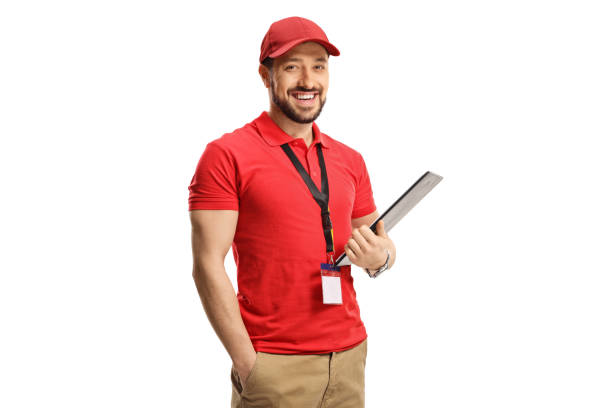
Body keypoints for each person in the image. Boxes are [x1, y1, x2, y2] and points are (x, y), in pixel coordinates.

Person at [188, 16, 397, 407]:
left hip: (349, 357)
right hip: (273, 363)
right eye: (291, 66)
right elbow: (206, 265)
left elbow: (381, 245)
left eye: (318, 65)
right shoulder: (226, 155)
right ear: (265, 76)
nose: (308, 80)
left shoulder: (350, 160)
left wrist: (379, 258)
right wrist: (249, 364)